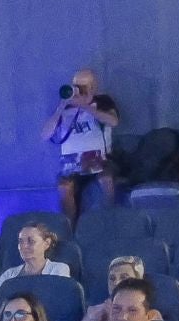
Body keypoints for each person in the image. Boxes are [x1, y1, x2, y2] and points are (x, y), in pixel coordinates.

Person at [43, 70, 120, 223]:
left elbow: (113, 121)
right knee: (64, 187)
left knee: (106, 179)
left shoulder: (104, 102)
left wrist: (85, 107)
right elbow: (45, 135)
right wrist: (62, 106)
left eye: (83, 87)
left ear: (93, 87)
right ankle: (70, 228)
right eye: (76, 86)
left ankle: (111, 221)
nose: (79, 90)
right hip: (72, 162)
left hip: (100, 158)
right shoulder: (65, 107)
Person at [0, 223, 72, 293]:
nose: (24, 246)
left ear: (47, 243)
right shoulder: (9, 275)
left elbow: (59, 300)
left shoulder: (59, 269)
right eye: (21, 241)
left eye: (31, 241)